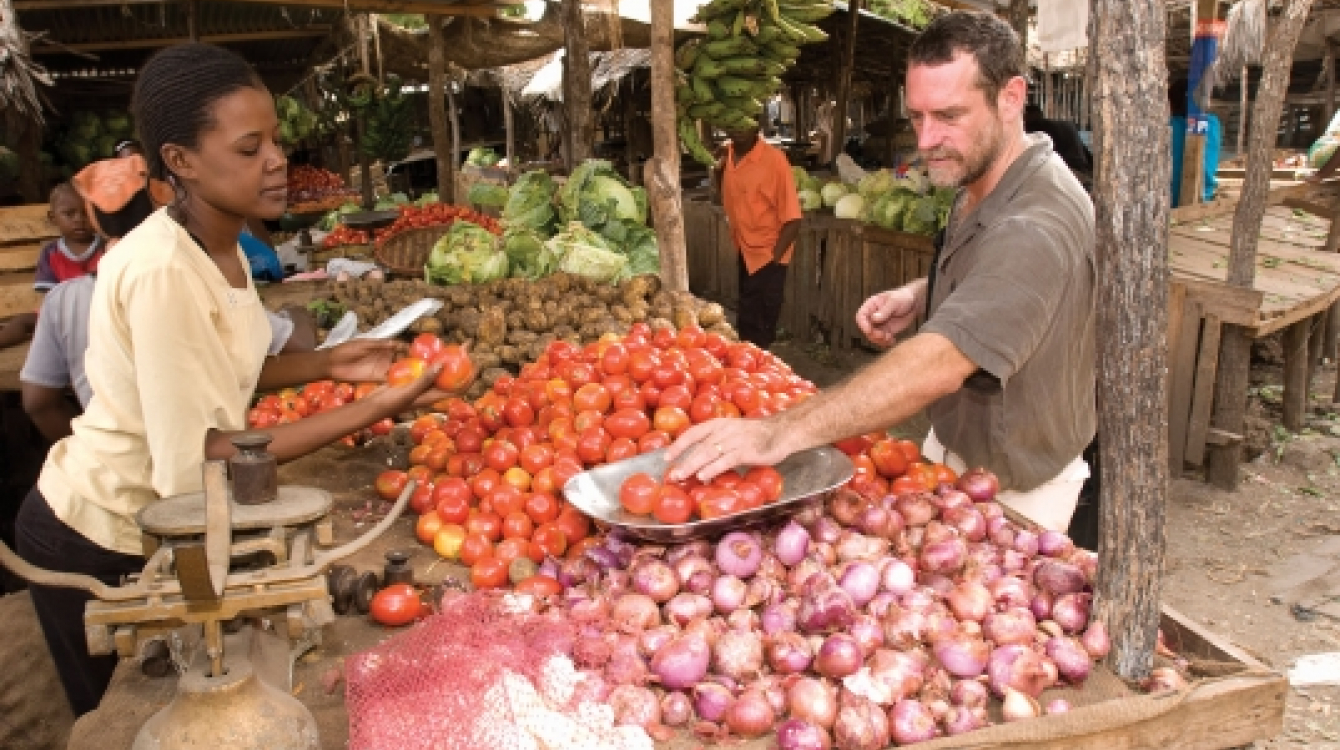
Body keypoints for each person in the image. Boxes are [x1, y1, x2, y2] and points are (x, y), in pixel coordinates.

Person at [14, 42, 459, 717]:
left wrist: (330, 363)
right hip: (101, 534)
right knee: (127, 719)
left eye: (275, 140)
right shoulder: (164, 269)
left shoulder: (219, 244)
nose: (277, 159)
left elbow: (226, 367)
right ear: (181, 160)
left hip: (159, 519)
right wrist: (374, 407)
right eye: (250, 148)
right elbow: (208, 452)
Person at [668, 10, 1096, 534]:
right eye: (917, 116)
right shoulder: (984, 175)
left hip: (1018, 487)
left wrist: (776, 433)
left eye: (949, 116)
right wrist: (925, 293)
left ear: (1010, 98)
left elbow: (940, 361)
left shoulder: (1036, 222)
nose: (926, 139)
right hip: (960, 445)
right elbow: (1001, 276)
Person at [713, 127, 803, 350]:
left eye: (745, 122)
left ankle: (760, 375)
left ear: (757, 124)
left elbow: (793, 219)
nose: (738, 129)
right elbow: (723, 195)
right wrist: (717, 170)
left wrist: (773, 259)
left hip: (768, 254)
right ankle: (749, 373)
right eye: (732, 123)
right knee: (746, 321)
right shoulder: (727, 156)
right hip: (744, 250)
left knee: (761, 328)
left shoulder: (774, 160)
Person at [0, 184, 104, 349]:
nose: (79, 219)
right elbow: (50, 296)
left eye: (86, 212)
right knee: (23, 321)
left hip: (100, 311)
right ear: (53, 218)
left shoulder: (107, 247)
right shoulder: (50, 253)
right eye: (69, 214)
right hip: (61, 313)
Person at [1168, 78, 1221, 206]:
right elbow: (1209, 165)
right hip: (1203, 196)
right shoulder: (1211, 124)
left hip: (1169, 199)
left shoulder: (1168, 126)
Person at [1023, 104, 1091, 175]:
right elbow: (1084, 150)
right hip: (1080, 167)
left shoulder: (1039, 128)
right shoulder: (1066, 124)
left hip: (1066, 170)